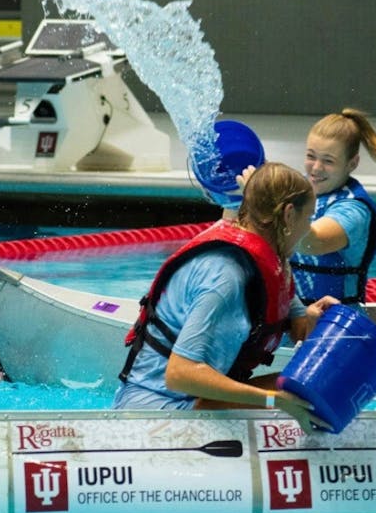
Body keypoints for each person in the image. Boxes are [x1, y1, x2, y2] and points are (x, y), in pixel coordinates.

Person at [113, 162, 340, 433]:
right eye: (309, 218)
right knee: (301, 398)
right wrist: (272, 401)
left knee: (313, 384)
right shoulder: (226, 277)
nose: (308, 229)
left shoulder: (273, 261)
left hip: (193, 400)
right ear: (289, 216)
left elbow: (298, 325)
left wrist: (313, 318)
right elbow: (179, 374)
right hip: (156, 410)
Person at [290, 108, 376, 306]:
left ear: (352, 164)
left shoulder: (353, 210)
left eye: (328, 161)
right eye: (311, 156)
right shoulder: (295, 189)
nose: (316, 168)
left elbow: (312, 243)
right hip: (295, 324)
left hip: (336, 327)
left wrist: (266, 206)